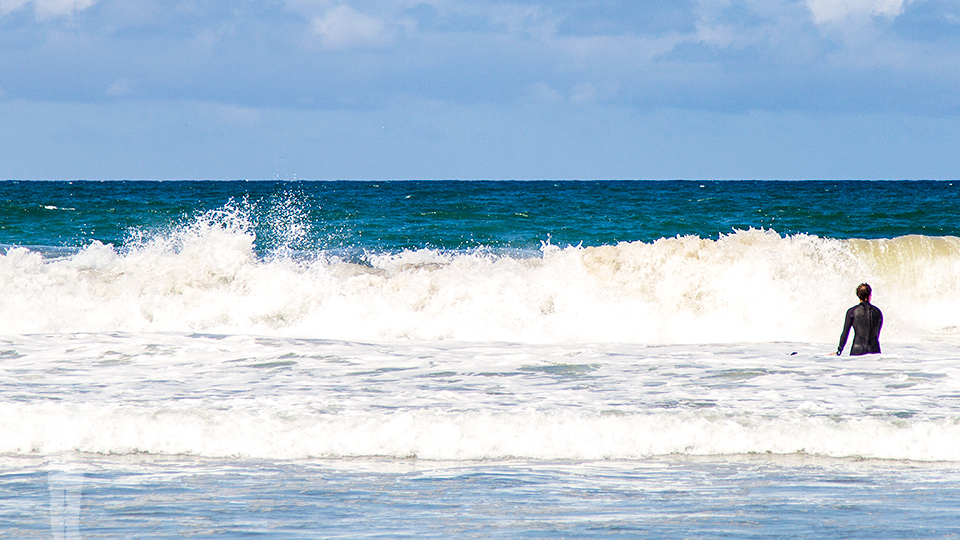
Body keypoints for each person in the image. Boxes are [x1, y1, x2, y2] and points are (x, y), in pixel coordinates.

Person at [837, 283, 883, 356]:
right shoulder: (878, 312)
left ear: (858, 295)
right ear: (870, 295)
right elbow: (877, 334)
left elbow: (845, 333)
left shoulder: (852, 312)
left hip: (857, 351)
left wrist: (840, 349)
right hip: (875, 351)